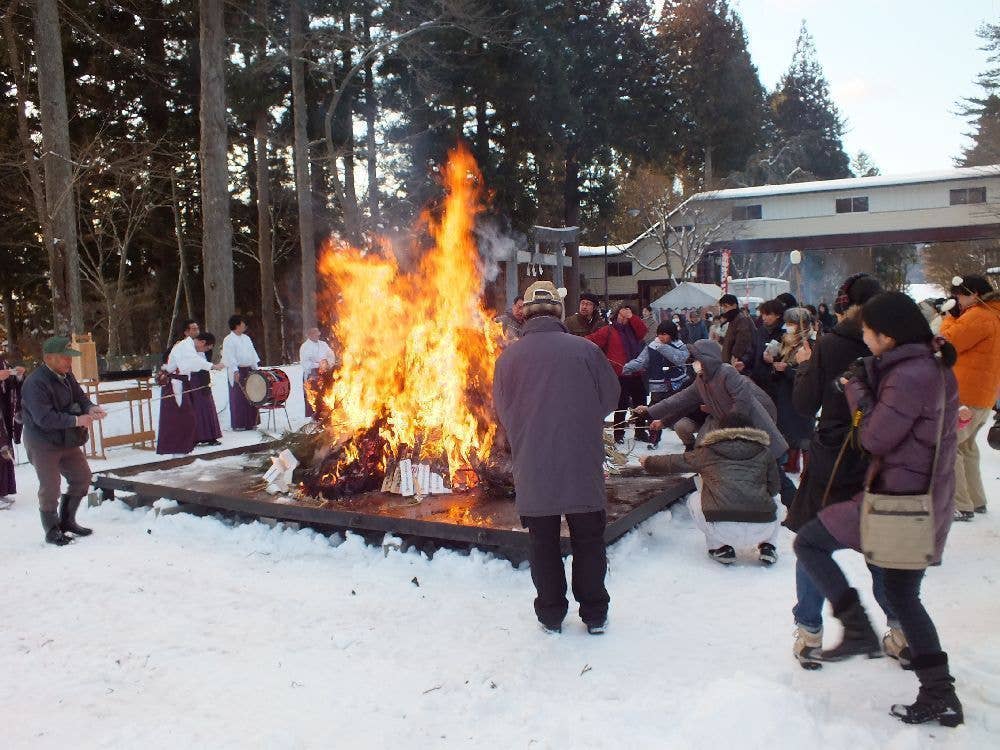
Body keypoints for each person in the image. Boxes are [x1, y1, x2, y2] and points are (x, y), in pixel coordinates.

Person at [793, 292, 963, 727]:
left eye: (867, 333)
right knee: (905, 597)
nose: (864, 340)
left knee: (810, 542)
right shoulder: (930, 365)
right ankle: (939, 691)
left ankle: (854, 628)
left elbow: (873, 437)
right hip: (914, 500)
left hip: (897, 504)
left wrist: (855, 387)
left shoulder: (910, 376)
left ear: (887, 335)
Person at [492, 280, 620, 635]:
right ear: (559, 313)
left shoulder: (508, 358)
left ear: (526, 314)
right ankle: (594, 613)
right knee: (589, 539)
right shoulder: (586, 351)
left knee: (543, 542)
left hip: (533, 463)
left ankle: (550, 614)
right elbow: (610, 399)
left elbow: (501, 411)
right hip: (581, 460)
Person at [786, 273, 890, 669]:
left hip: (834, 456)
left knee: (813, 543)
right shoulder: (899, 345)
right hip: (882, 457)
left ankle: (809, 633)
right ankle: (898, 629)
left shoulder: (831, 345)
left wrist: (805, 366)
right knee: (882, 544)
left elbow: (803, 402)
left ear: (845, 305)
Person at [642, 414, 783, 565]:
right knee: (776, 500)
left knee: (695, 498)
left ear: (719, 430)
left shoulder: (708, 452)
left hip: (722, 528)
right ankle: (769, 546)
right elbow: (774, 489)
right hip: (762, 527)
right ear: (752, 431)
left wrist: (648, 462)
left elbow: (676, 462)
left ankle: (720, 548)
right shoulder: (764, 452)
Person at [637, 339, 788, 461]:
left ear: (707, 359)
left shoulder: (727, 372)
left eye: (696, 359)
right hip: (730, 430)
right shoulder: (701, 380)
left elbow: (742, 402)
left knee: (770, 468)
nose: (694, 363)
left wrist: (728, 428)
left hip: (752, 425)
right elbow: (679, 400)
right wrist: (651, 412)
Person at [20, 336, 107, 545]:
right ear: (49, 358)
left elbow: (80, 397)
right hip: (42, 442)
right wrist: (77, 419)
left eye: (70, 358)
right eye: (64, 358)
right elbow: (44, 418)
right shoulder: (34, 383)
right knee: (50, 486)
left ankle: (68, 521)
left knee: (82, 477)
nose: (69, 362)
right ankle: (52, 530)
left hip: (66, 439)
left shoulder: (67, 375)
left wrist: (90, 408)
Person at [939, 275, 1000, 521]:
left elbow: (948, 342)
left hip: (966, 394)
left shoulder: (978, 315)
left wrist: (946, 319)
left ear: (973, 293)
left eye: (959, 295)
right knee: (967, 447)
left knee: (950, 446)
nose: (957, 301)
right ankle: (976, 500)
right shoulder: (994, 314)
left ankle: (961, 504)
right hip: (984, 393)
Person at [587, 303, 649, 444]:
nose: (623, 318)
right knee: (621, 405)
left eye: (626, 316)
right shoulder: (608, 330)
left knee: (640, 403)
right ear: (616, 315)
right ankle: (618, 434)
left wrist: (631, 317)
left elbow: (643, 330)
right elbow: (591, 340)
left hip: (636, 373)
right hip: (619, 374)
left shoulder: (635, 330)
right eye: (621, 315)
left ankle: (640, 431)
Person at [622, 321, 690, 449]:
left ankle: (687, 438)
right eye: (659, 334)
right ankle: (654, 439)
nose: (661, 338)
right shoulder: (652, 346)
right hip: (657, 387)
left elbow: (680, 359)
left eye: (664, 334)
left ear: (672, 334)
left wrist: (662, 347)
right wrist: (626, 368)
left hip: (678, 385)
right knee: (654, 412)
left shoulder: (680, 346)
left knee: (681, 413)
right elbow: (641, 361)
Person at [765, 307, 816, 475]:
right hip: (786, 393)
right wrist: (774, 362)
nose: (788, 327)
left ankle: (807, 470)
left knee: (804, 434)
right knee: (789, 431)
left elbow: (809, 372)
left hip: (802, 393)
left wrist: (786, 369)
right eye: (787, 323)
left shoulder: (811, 343)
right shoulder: (787, 342)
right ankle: (792, 463)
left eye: (791, 323)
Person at [157, 332, 224, 455]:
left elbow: (194, 362)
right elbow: (192, 362)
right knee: (181, 417)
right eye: (206, 348)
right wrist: (213, 366)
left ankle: (181, 448)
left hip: (181, 383)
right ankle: (176, 449)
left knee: (186, 417)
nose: (204, 351)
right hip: (175, 384)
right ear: (202, 342)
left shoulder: (189, 346)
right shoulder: (185, 346)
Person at [221, 315, 261, 430]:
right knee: (239, 396)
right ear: (237, 325)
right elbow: (230, 356)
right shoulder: (228, 339)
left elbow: (252, 353)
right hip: (238, 369)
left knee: (252, 395)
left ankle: (252, 422)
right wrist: (234, 371)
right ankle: (239, 423)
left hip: (249, 369)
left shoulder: (246, 338)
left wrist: (255, 368)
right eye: (243, 323)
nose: (245, 325)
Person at [0, 350, 25, 505]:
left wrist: (17, 375)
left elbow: (11, 387)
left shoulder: (1, 359)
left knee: (3, 452)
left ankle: (2, 491)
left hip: (2, 413)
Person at [299, 327, 337, 418]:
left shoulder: (323, 344)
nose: (316, 335)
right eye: (314, 334)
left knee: (326, 394)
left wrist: (328, 364)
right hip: (312, 375)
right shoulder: (305, 347)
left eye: (317, 333)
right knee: (314, 396)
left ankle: (326, 414)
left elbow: (331, 355)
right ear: (309, 335)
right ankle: (314, 415)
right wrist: (318, 365)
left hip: (325, 373)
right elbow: (305, 363)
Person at [719, 293, 756, 373]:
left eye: (726, 306)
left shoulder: (741, 319)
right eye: (722, 307)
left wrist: (735, 356)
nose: (724, 309)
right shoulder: (733, 319)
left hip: (737, 363)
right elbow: (731, 339)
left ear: (734, 305)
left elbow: (742, 340)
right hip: (730, 362)